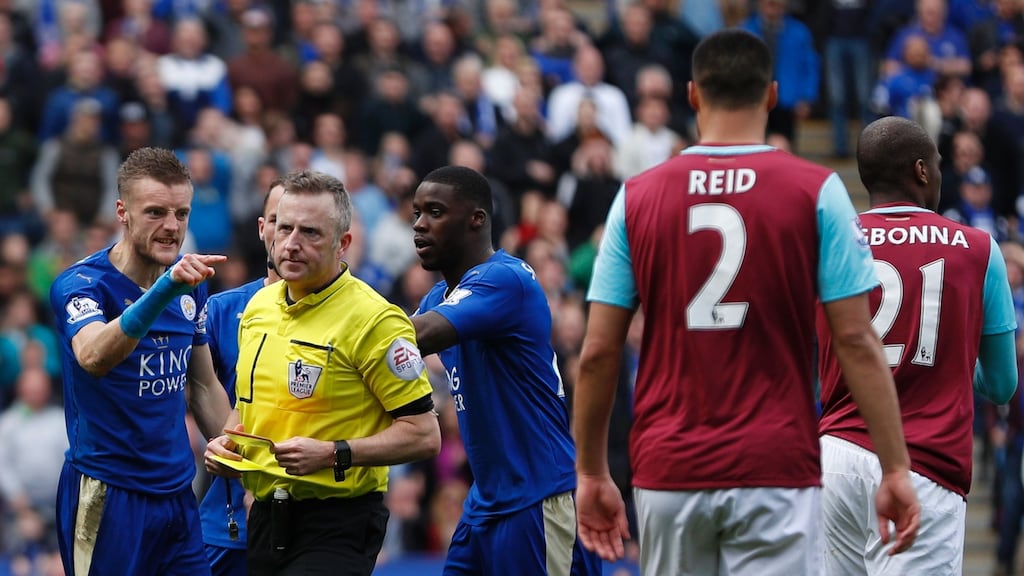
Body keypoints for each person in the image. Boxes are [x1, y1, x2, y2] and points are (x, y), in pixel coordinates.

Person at [572, 29, 921, 574]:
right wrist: (895, 467)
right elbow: (855, 338)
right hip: (775, 465)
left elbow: (596, 353)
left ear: (692, 95)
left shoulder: (636, 195)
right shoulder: (816, 189)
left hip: (670, 467)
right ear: (773, 96)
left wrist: (591, 473)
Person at [204, 169, 440, 576]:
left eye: (311, 232)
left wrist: (335, 453)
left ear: (342, 243)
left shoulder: (375, 320)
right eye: (285, 227)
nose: (292, 244)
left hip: (339, 521)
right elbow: (243, 411)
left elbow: (424, 433)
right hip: (263, 515)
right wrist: (227, 444)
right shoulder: (256, 310)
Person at [818, 116, 1018, 574]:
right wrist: (951, 353)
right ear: (922, 171)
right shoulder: (978, 248)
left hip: (837, 459)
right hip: (923, 463)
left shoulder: (830, 244)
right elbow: (1003, 385)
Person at [410, 165, 601, 575]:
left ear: (476, 219)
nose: (420, 225)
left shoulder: (503, 278)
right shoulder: (440, 296)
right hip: (487, 503)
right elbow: (388, 345)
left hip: (536, 498)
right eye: (416, 214)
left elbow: (411, 337)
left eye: (435, 212)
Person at [50, 147, 232, 575]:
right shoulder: (83, 285)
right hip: (107, 496)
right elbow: (93, 355)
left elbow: (202, 386)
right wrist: (163, 291)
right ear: (122, 212)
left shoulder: (190, 285)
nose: (172, 227)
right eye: (155, 212)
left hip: (176, 497)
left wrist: (244, 458)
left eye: (181, 214)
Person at [198, 179, 285, 576]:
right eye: (279, 221)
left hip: (313, 521)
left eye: (304, 224)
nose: (290, 235)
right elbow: (197, 388)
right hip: (228, 519)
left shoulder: (353, 315)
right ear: (262, 227)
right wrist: (247, 473)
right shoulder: (220, 310)